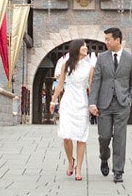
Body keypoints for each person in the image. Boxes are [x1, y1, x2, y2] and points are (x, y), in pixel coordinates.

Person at [89, 27, 132, 184]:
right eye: (105, 39)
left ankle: (118, 171)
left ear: (117, 40)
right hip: (104, 104)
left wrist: (130, 100)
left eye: (108, 39)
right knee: (104, 137)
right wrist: (92, 103)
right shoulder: (102, 58)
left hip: (122, 104)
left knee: (119, 138)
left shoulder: (130, 59)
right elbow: (96, 81)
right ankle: (104, 158)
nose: (106, 42)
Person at [49, 39, 94, 181]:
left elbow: (91, 88)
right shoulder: (66, 65)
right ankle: (70, 160)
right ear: (76, 48)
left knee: (81, 137)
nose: (86, 48)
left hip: (81, 103)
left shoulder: (90, 67)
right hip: (68, 102)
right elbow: (60, 84)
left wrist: (93, 104)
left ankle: (79, 168)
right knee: (66, 136)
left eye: (86, 47)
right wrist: (53, 100)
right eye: (83, 46)